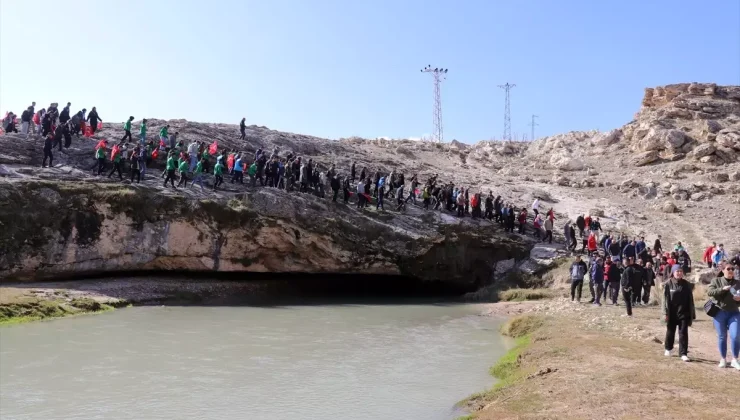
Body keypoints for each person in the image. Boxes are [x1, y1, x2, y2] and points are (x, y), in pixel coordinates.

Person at [707, 264, 740, 369]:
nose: (731, 271)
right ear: (723, 270)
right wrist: (722, 289)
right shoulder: (716, 281)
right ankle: (723, 359)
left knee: (735, 336)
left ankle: (735, 359)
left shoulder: (738, 283)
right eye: (728, 269)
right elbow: (710, 292)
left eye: (732, 269)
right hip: (720, 312)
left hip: (734, 312)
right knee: (722, 336)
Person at [662, 266, 695, 362]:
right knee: (670, 332)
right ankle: (668, 348)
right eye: (677, 271)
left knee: (683, 333)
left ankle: (683, 353)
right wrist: (665, 313)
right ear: (673, 272)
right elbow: (665, 300)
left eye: (681, 271)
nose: (679, 273)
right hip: (672, 312)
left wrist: (692, 313)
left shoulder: (687, 284)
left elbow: (691, 299)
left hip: (684, 313)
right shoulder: (668, 284)